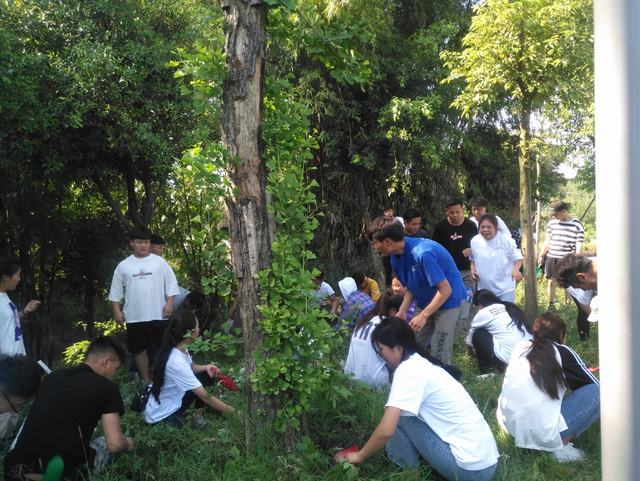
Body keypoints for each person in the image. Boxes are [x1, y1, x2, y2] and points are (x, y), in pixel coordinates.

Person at [339, 318, 498, 481]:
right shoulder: (421, 364)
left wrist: (359, 455)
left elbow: (387, 430)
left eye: (381, 349)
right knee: (400, 412)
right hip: (486, 462)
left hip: (470, 471)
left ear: (398, 349)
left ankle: (407, 474)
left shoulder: (408, 371)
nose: (380, 355)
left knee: (397, 416)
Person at [4, 337, 134, 481]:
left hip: (14, 468)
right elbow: (114, 444)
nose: (113, 374)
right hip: (63, 473)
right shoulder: (107, 387)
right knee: (104, 442)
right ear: (107, 362)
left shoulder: (52, 378)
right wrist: (127, 443)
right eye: (115, 368)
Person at [497, 313, 600, 463]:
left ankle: (543, 442)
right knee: (600, 392)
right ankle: (559, 446)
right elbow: (593, 386)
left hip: (511, 427)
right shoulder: (562, 351)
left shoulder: (520, 347)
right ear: (562, 335)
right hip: (542, 434)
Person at [368, 216, 465, 364]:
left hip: (448, 301)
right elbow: (412, 285)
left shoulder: (423, 253)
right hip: (425, 301)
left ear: (387, 241)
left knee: (439, 351)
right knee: (411, 343)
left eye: (375, 242)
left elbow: (446, 290)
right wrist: (403, 309)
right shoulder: (395, 258)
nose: (375, 247)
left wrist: (423, 316)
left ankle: (443, 374)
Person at [108, 228, 180, 381]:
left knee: (163, 347)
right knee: (139, 350)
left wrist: (170, 304)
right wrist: (117, 311)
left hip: (159, 314)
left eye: (146, 242)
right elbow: (115, 291)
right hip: (135, 316)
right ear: (132, 243)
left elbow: (171, 283)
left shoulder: (160, 262)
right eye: (139, 242)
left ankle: (164, 379)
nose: (143, 246)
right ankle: (146, 381)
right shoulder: (123, 265)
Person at [145, 310, 235, 425]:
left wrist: (206, 367)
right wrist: (233, 412)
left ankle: (199, 414)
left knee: (207, 374)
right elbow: (204, 395)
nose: (199, 329)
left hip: (169, 399)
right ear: (190, 332)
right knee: (178, 426)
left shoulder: (180, 346)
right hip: (162, 415)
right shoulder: (177, 361)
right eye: (197, 326)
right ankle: (194, 417)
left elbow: (191, 367)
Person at [0, 257, 41, 438]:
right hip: (6, 370)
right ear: (5, 277)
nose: (19, 278)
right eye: (17, 275)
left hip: (14, 365)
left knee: (11, 415)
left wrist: (24, 312)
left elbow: (9, 325)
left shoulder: (4, 296)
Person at [432, 198, 478, 327]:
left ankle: (464, 326)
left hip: (467, 270)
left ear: (462, 209)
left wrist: (472, 249)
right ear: (446, 212)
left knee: (467, 298)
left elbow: (478, 245)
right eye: (452, 213)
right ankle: (449, 324)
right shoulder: (440, 227)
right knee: (451, 298)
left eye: (458, 212)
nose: (455, 215)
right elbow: (435, 248)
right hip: (449, 272)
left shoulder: (471, 225)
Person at [343, 292, 404, 388]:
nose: (405, 317)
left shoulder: (364, 321)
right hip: (374, 381)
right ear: (393, 311)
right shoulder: (387, 326)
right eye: (403, 311)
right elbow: (395, 361)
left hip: (350, 377)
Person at [466, 290, 532, 374]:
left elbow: (470, 340)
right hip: (531, 358)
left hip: (509, 362)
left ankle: (486, 371)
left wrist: (469, 353)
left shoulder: (483, 312)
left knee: (478, 334)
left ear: (480, 304)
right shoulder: (510, 307)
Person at [536, 201, 585, 308]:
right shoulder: (552, 223)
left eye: (556, 214)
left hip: (567, 258)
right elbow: (547, 240)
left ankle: (568, 305)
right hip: (552, 257)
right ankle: (551, 304)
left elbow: (579, 244)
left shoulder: (577, 225)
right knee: (551, 282)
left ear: (563, 211)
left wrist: (577, 259)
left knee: (568, 283)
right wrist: (541, 255)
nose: (555, 217)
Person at [470, 214, 523, 302]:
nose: (485, 230)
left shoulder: (505, 239)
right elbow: (472, 259)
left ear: (495, 228)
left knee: (505, 310)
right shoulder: (475, 241)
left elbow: (518, 257)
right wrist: (472, 270)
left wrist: (516, 269)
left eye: (489, 227)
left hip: (505, 288)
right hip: (484, 289)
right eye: (482, 227)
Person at [554, 254, 598, 340]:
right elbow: (584, 304)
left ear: (582, 277)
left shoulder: (617, 270)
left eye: (580, 287)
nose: (584, 290)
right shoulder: (589, 273)